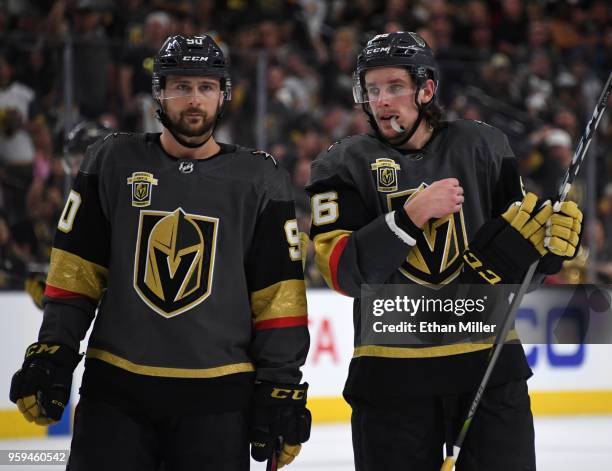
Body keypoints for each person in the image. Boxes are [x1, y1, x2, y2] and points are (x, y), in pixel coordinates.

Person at [10, 34, 311, 471]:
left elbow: (279, 297)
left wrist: (281, 385)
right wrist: (53, 350)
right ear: (158, 93)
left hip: (218, 400)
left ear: (223, 95)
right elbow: (76, 272)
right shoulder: (111, 160)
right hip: (116, 395)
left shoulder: (260, 179)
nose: (194, 100)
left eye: (206, 87)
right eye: (181, 86)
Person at [306, 31, 583, 471]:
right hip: (390, 376)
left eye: (394, 87)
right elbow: (344, 275)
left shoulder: (484, 147)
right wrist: (408, 217)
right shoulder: (341, 164)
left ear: (426, 89)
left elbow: (521, 276)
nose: (381, 100)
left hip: (488, 368)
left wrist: (548, 253)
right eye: (372, 89)